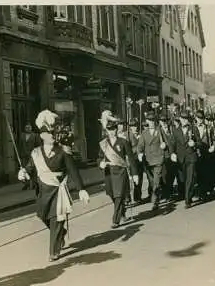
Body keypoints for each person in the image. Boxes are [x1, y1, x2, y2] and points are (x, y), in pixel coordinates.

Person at [18, 110, 90, 262]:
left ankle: (54, 251)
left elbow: (73, 171)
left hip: (58, 191)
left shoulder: (63, 152)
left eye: (53, 133)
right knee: (43, 216)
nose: (53, 136)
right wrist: (23, 174)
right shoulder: (36, 153)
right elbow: (30, 169)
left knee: (56, 218)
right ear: (43, 135)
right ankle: (61, 233)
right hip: (43, 191)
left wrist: (82, 189)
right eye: (49, 133)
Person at [98, 113, 139, 228]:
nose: (112, 131)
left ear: (116, 129)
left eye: (113, 129)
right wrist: (100, 163)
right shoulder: (104, 143)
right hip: (109, 173)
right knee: (112, 194)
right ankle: (122, 212)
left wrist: (135, 174)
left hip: (120, 172)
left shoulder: (123, 142)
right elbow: (99, 157)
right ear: (107, 131)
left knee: (119, 195)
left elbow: (131, 159)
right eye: (109, 129)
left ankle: (115, 220)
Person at [137, 110, 165, 211]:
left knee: (156, 181)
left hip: (158, 159)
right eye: (149, 120)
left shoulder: (160, 131)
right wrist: (140, 153)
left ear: (155, 121)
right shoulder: (144, 134)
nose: (151, 122)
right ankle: (157, 194)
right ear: (147, 121)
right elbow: (140, 146)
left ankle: (155, 201)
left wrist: (164, 145)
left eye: (153, 120)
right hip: (148, 162)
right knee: (152, 181)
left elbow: (165, 141)